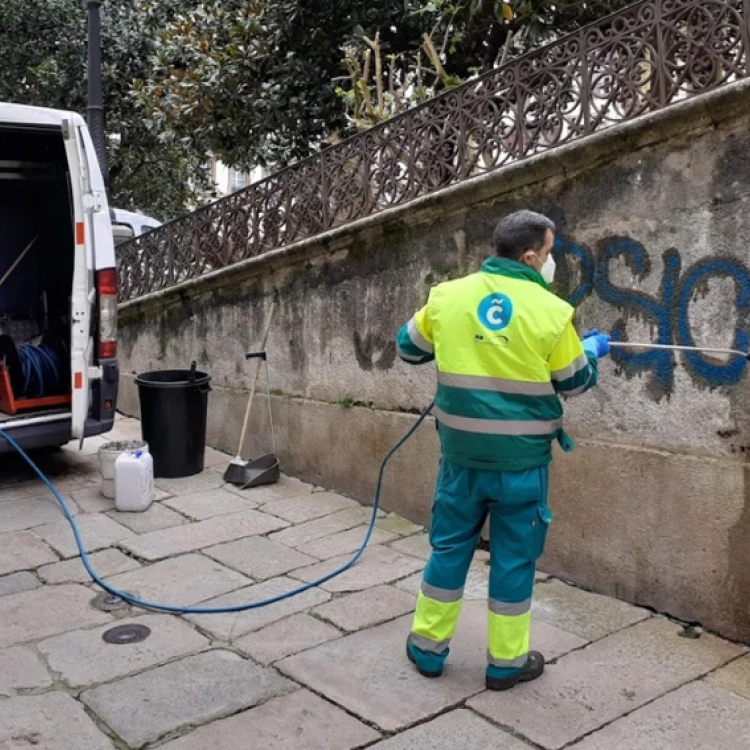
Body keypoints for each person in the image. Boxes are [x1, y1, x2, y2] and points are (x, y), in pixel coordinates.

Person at [395, 209, 610, 691]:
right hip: (521, 467)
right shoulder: (553, 313)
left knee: (448, 549)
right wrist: (592, 351)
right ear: (531, 256)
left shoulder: (447, 296)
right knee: (514, 560)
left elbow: (407, 348)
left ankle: (427, 650)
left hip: (460, 463)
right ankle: (506, 664)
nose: (551, 264)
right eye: (550, 254)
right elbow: (575, 383)